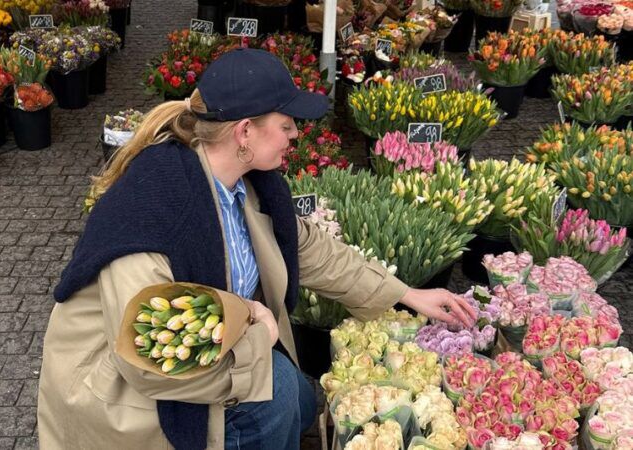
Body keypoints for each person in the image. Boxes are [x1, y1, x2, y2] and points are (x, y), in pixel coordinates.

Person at [37, 48, 477, 450]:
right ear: (245, 131)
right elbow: (153, 358)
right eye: (286, 126)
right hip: (121, 389)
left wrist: (406, 293)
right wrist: (260, 338)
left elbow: (312, 249)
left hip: (214, 346)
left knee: (302, 400)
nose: (294, 137)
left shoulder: (246, 186)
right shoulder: (153, 210)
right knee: (283, 394)